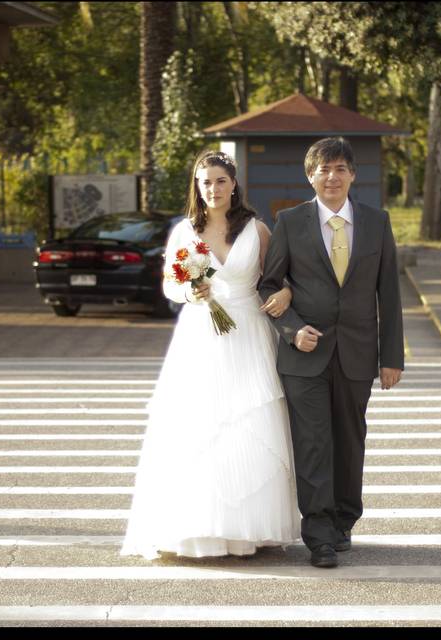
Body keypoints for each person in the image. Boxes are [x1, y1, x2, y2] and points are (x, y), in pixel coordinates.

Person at [120, 150, 300, 560]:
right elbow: (170, 284)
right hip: (201, 334)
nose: (213, 189)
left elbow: (278, 278)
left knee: (249, 422)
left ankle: (248, 529)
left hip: (248, 334)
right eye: (205, 182)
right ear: (196, 188)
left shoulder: (257, 230)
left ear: (233, 184)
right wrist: (191, 291)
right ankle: (198, 526)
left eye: (220, 181)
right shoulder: (185, 231)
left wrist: (286, 291)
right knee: (201, 426)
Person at [259, 137, 404, 568]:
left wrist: (391, 356)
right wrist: (290, 329)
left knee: (349, 440)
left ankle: (343, 521)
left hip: (358, 353)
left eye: (340, 169)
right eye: (323, 170)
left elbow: (389, 293)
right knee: (313, 444)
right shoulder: (290, 222)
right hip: (305, 357)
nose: (332, 177)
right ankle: (318, 534)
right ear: (310, 176)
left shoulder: (377, 222)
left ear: (352, 175)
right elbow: (268, 285)